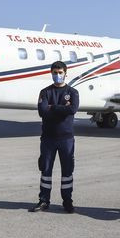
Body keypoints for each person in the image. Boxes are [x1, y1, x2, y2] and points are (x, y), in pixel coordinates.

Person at [29, 61, 80, 213]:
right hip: (48, 138)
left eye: (60, 72)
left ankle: (67, 201)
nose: (58, 75)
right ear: (51, 74)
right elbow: (42, 111)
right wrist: (62, 109)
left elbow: (73, 109)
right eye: (55, 73)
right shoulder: (45, 92)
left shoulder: (73, 92)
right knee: (45, 170)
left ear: (65, 73)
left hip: (66, 139)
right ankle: (44, 201)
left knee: (67, 172)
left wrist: (53, 107)